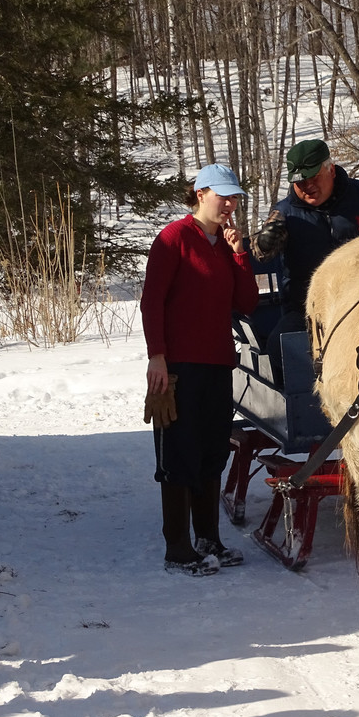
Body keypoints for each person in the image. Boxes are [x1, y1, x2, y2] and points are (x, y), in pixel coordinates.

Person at [141, 163, 259, 576]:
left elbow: (246, 302)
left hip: (217, 363)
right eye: (222, 196)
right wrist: (157, 355)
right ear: (200, 193)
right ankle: (178, 547)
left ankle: (209, 538)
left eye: (234, 198)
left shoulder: (226, 246)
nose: (229, 205)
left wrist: (241, 254)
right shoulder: (173, 239)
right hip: (177, 368)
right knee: (179, 453)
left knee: (211, 450)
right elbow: (151, 301)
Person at [250, 138, 359, 384]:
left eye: (313, 178)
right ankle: (303, 404)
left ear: (331, 170)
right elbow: (260, 252)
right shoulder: (285, 212)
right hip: (309, 313)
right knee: (280, 343)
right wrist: (266, 240)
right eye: (301, 182)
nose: (308, 186)